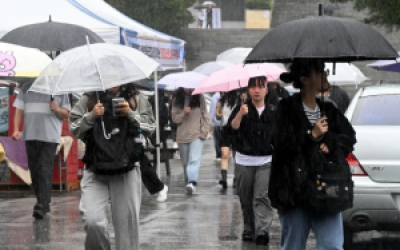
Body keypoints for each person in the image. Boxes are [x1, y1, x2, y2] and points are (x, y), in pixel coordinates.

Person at [268, 58, 356, 250]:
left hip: (327, 190)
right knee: (293, 246)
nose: (325, 76)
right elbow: (280, 146)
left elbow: (349, 138)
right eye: (320, 72)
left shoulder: (329, 109)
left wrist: (332, 142)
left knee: (333, 246)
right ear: (305, 79)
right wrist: (311, 135)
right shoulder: (286, 109)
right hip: (295, 192)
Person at [69, 83, 155, 250]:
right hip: (95, 168)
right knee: (93, 221)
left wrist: (130, 113)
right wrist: (91, 116)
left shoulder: (135, 98)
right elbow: (74, 128)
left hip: (126, 169)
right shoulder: (88, 99)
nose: (113, 82)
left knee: (127, 231)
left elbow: (150, 128)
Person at [228, 76, 279, 245]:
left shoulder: (273, 109)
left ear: (266, 89)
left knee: (261, 195)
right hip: (244, 160)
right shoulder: (241, 108)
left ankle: (262, 229)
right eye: (253, 87)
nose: (257, 90)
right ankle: (248, 227)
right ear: (248, 89)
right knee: (245, 196)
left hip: (266, 159)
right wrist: (241, 114)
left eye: (260, 86)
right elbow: (233, 127)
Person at [12, 81, 71, 220]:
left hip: (49, 137)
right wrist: (15, 129)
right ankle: (44, 201)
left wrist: (56, 108)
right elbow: (19, 110)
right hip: (30, 135)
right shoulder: (26, 87)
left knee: (44, 168)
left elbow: (66, 114)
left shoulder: (59, 88)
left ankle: (41, 204)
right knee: (35, 170)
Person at [171, 87, 209, 195]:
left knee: (194, 160)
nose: (189, 88)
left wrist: (204, 132)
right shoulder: (176, 100)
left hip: (197, 134)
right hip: (182, 135)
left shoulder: (199, 97)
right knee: (185, 163)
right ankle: (188, 183)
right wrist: (184, 113)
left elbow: (205, 115)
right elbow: (174, 119)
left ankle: (192, 182)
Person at [216, 91, 237, 189]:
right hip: (224, 129)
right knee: (224, 154)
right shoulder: (221, 102)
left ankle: (236, 178)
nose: (223, 92)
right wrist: (218, 111)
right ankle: (224, 178)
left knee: (236, 155)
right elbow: (218, 117)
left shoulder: (238, 101)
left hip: (236, 130)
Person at [209, 92, 221, 161]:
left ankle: (219, 155)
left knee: (217, 140)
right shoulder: (230, 95)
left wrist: (211, 123)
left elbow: (212, 111)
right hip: (227, 123)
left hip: (218, 122)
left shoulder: (215, 97)